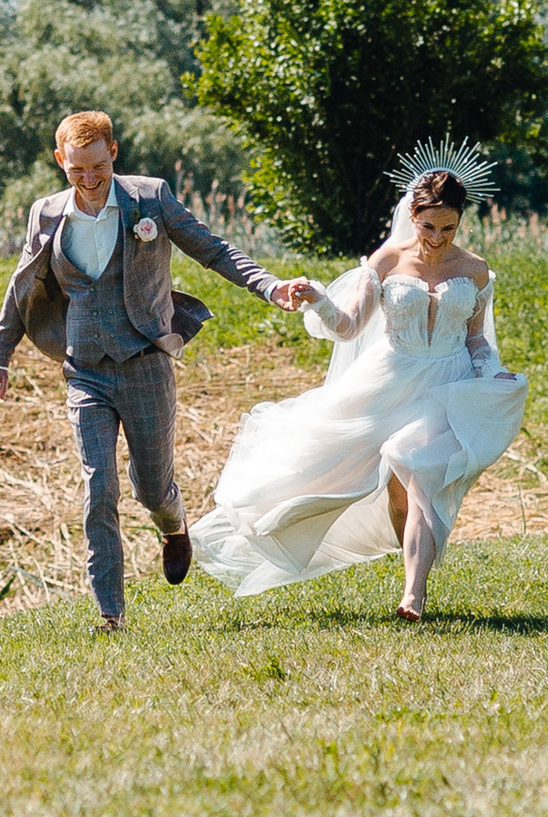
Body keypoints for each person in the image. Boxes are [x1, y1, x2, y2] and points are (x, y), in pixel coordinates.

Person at [0, 110, 315, 632]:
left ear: (113, 153)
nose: (89, 179)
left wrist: (269, 286)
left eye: (98, 166)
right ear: (60, 161)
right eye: (76, 169)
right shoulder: (45, 213)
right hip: (85, 370)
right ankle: (110, 614)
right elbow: (21, 285)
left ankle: (173, 525)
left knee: (151, 488)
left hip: (146, 365)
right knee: (98, 488)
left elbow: (213, 250)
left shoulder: (150, 199)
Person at [189, 144, 527, 620]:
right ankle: (390, 553)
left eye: (448, 228)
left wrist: (493, 373)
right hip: (389, 379)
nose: (437, 239)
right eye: (429, 227)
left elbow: (475, 340)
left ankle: (414, 594)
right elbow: (349, 327)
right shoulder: (386, 260)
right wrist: (318, 299)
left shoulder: (474, 270)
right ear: (413, 217)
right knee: (388, 492)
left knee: (416, 468)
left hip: (445, 384)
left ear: (460, 223)